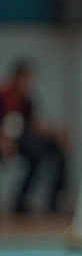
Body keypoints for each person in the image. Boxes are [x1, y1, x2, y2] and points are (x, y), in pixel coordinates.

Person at [0, 59, 69, 214]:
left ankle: (55, 198)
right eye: (26, 79)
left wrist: (56, 133)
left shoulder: (27, 99)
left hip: (18, 141)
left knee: (50, 149)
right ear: (16, 77)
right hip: (4, 143)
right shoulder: (3, 95)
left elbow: (34, 124)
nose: (29, 83)